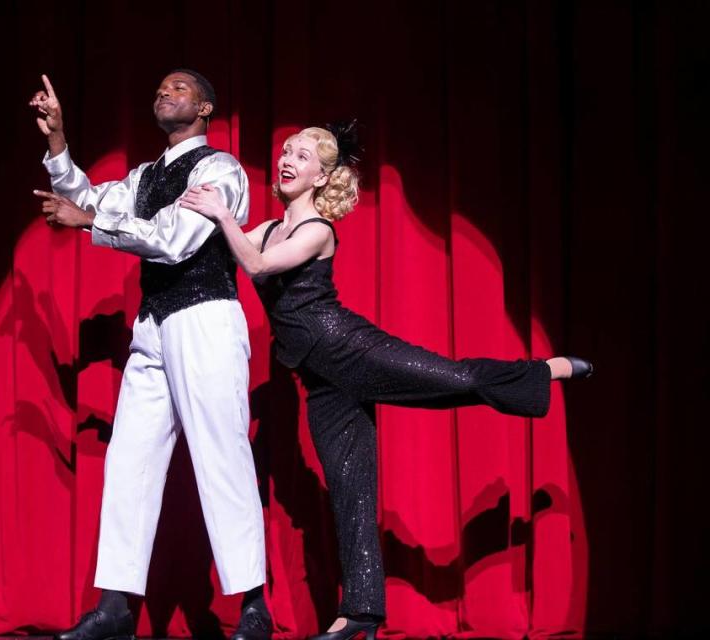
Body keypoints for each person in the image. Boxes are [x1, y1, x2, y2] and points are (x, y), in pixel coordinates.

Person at [177, 123, 592, 640]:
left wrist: (220, 215)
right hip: (318, 379)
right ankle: (362, 615)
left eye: (302, 156)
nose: (286, 160)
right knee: (349, 493)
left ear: (321, 176)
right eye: (286, 151)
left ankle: (541, 371)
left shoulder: (318, 231)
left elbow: (256, 264)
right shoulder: (261, 228)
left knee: (454, 378)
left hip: (351, 349)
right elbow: (224, 247)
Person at [29, 70, 271, 640]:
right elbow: (89, 196)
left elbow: (173, 238)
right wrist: (57, 141)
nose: (165, 93)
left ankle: (254, 605)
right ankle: (116, 607)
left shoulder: (219, 169)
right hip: (155, 325)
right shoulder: (146, 175)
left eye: (180, 88)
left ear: (206, 107)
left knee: (221, 456)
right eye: (160, 87)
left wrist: (91, 223)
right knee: (129, 462)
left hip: (205, 319)